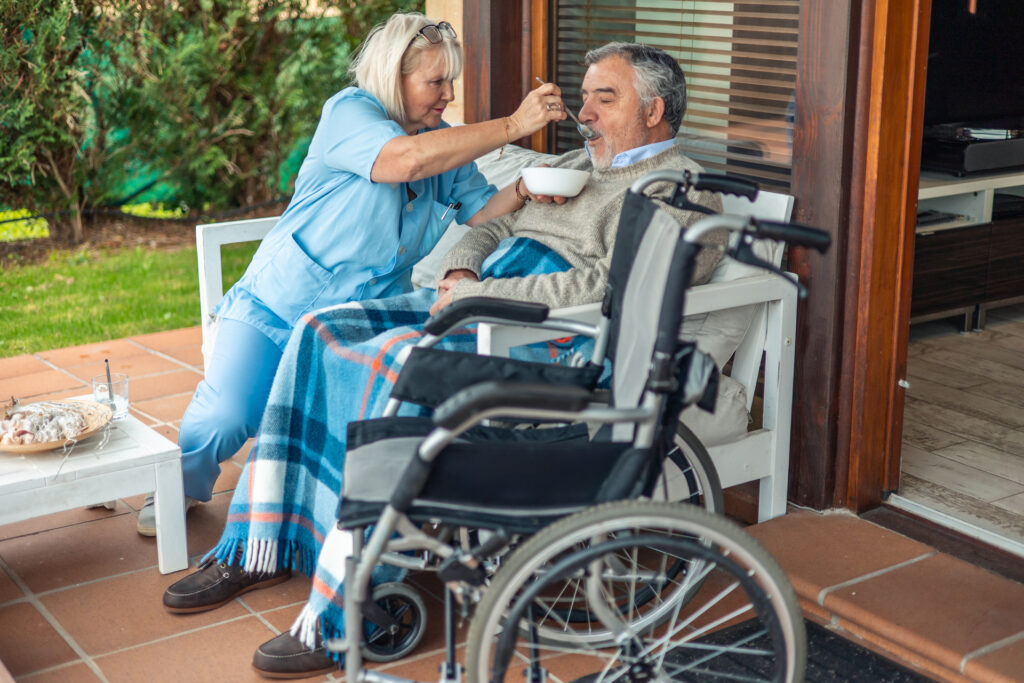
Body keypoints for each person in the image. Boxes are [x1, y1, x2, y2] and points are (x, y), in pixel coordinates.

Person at [161, 42, 726, 679]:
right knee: (319, 332)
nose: (584, 112)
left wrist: (482, 292)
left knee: (393, 365)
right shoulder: (573, 164)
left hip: (540, 331)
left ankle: (347, 600)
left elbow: (601, 290)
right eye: (585, 95)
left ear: (653, 111)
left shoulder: (685, 194)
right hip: (477, 296)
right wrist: (464, 265)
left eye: (605, 97)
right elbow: (494, 223)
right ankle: (261, 542)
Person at [135, 12, 568, 535]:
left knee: (357, 419)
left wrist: (522, 190)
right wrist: (513, 126)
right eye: (436, 82)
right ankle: (180, 485)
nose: (448, 95)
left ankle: (319, 516)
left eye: (449, 81)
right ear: (395, 77)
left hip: (359, 322)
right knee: (229, 417)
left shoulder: (441, 141)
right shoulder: (349, 114)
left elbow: (480, 208)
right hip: (281, 305)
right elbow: (403, 162)